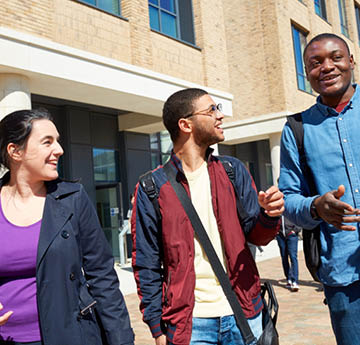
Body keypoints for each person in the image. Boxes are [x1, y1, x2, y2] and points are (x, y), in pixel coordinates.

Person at [131, 88, 284, 345]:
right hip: (190, 325)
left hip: (244, 313)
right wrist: (157, 328)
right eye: (212, 110)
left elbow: (257, 237)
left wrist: (269, 215)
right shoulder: (152, 187)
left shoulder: (232, 171)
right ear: (185, 124)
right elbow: (146, 263)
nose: (220, 116)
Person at [0, 109, 134, 345]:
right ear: (15, 151)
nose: (59, 150)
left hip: (70, 335)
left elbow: (102, 276)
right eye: (47, 142)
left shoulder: (73, 199)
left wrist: (121, 340)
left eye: (58, 141)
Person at [279, 33, 360, 345]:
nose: (327, 67)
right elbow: (288, 197)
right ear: (306, 72)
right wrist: (316, 207)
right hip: (343, 277)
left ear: (351, 61)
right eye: (316, 63)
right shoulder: (296, 129)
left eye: (335, 57)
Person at [276, 216, 301, 292]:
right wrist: (275, 231)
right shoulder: (277, 207)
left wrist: (295, 230)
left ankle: (295, 281)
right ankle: (289, 278)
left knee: (293, 257)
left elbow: (299, 218)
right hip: (280, 235)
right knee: (284, 257)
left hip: (291, 234)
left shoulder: (291, 205)